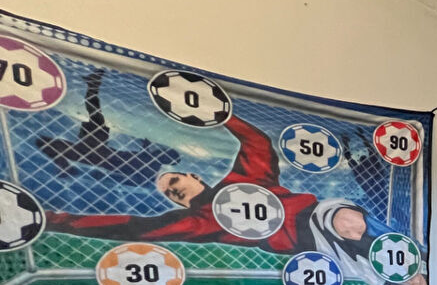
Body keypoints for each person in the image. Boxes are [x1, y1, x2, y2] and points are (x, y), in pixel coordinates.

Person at [45, 112, 318, 254]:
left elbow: (257, 143)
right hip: (311, 243)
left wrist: (222, 115)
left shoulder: (243, 179)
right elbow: (131, 227)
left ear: (194, 176)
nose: (172, 189)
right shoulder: (198, 223)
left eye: (173, 180)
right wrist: (53, 220)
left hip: (320, 212)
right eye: (169, 193)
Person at [33, 69, 179, 181]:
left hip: (96, 153)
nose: (160, 150)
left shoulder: (151, 165)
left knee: (93, 118)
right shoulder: (151, 163)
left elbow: (131, 170)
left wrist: (102, 175)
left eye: (163, 152)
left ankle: (93, 85)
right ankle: (93, 85)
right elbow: (133, 167)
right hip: (98, 153)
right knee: (94, 117)